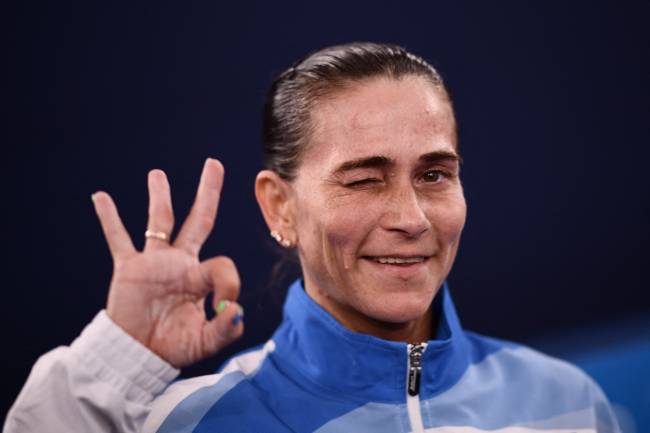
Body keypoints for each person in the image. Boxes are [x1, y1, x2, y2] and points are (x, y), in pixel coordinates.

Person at [4, 42, 620, 433]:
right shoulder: (188, 425)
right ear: (281, 207)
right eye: (363, 180)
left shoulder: (569, 401)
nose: (411, 217)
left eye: (434, 174)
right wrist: (117, 357)